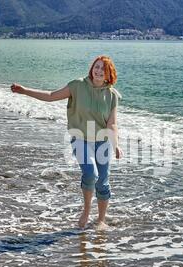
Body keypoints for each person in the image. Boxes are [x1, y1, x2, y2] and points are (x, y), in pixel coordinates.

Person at [11, 55, 123, 230]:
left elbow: (112, 124)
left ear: (109, 74)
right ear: (92, 68)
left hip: (102, 142)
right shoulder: (77, 86)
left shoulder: (112, 95)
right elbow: (50, 96)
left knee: (103, 181)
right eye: (97, 67)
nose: (99, 71)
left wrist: (115, 145)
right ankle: (86, 210)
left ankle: (101, 219)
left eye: (103, 69)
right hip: (80, 138)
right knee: (90, 174)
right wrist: (25, 91)